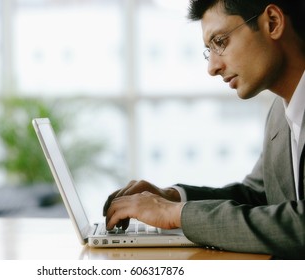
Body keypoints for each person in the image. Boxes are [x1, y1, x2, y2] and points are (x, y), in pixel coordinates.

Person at [103, 0, 305, 259]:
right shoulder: (280, 114)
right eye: (208, 50)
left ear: (273, 23)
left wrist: (174, 214)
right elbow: (257, 195)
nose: (212, 67)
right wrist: (173, 197)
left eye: (220, 41)